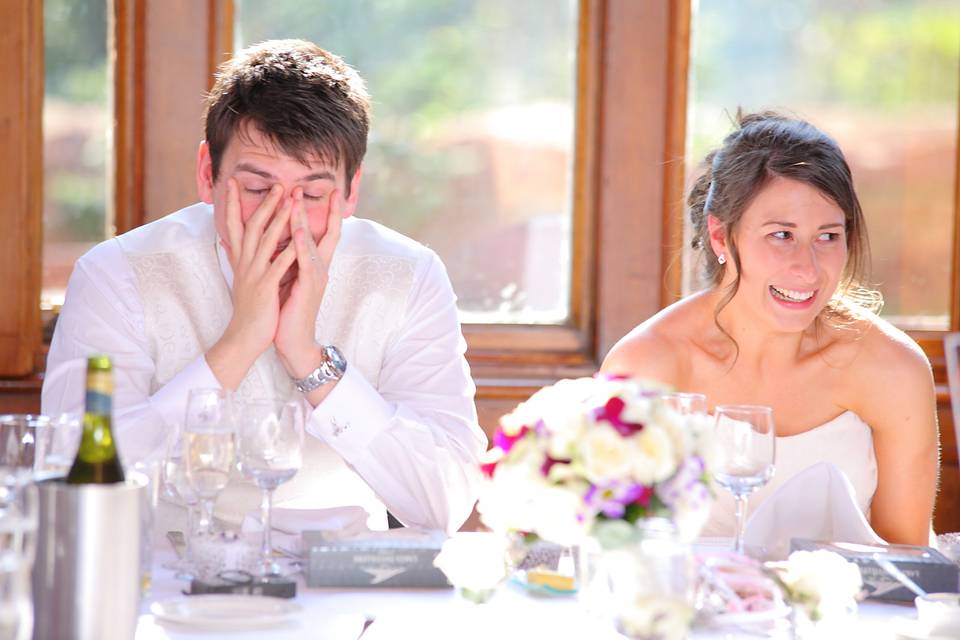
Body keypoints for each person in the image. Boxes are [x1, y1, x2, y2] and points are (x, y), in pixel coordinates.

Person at [42, 39, 487, 533]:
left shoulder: (408, 275)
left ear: (350, 192)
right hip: (162, 587)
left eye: (313, 193)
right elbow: (73, 488)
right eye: (257, 189)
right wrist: (240, 341)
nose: (283, 218)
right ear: (208, 174)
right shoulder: (115, 275)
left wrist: (309, 358)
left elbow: (444, 503)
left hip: (344, 590)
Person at [601, 111, 938, 545]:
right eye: (782, 235)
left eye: (828, 236)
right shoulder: (647, 364)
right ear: (721, 237)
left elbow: (906, 559)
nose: (807, 268)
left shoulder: (893, 368)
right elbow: (613, 546)